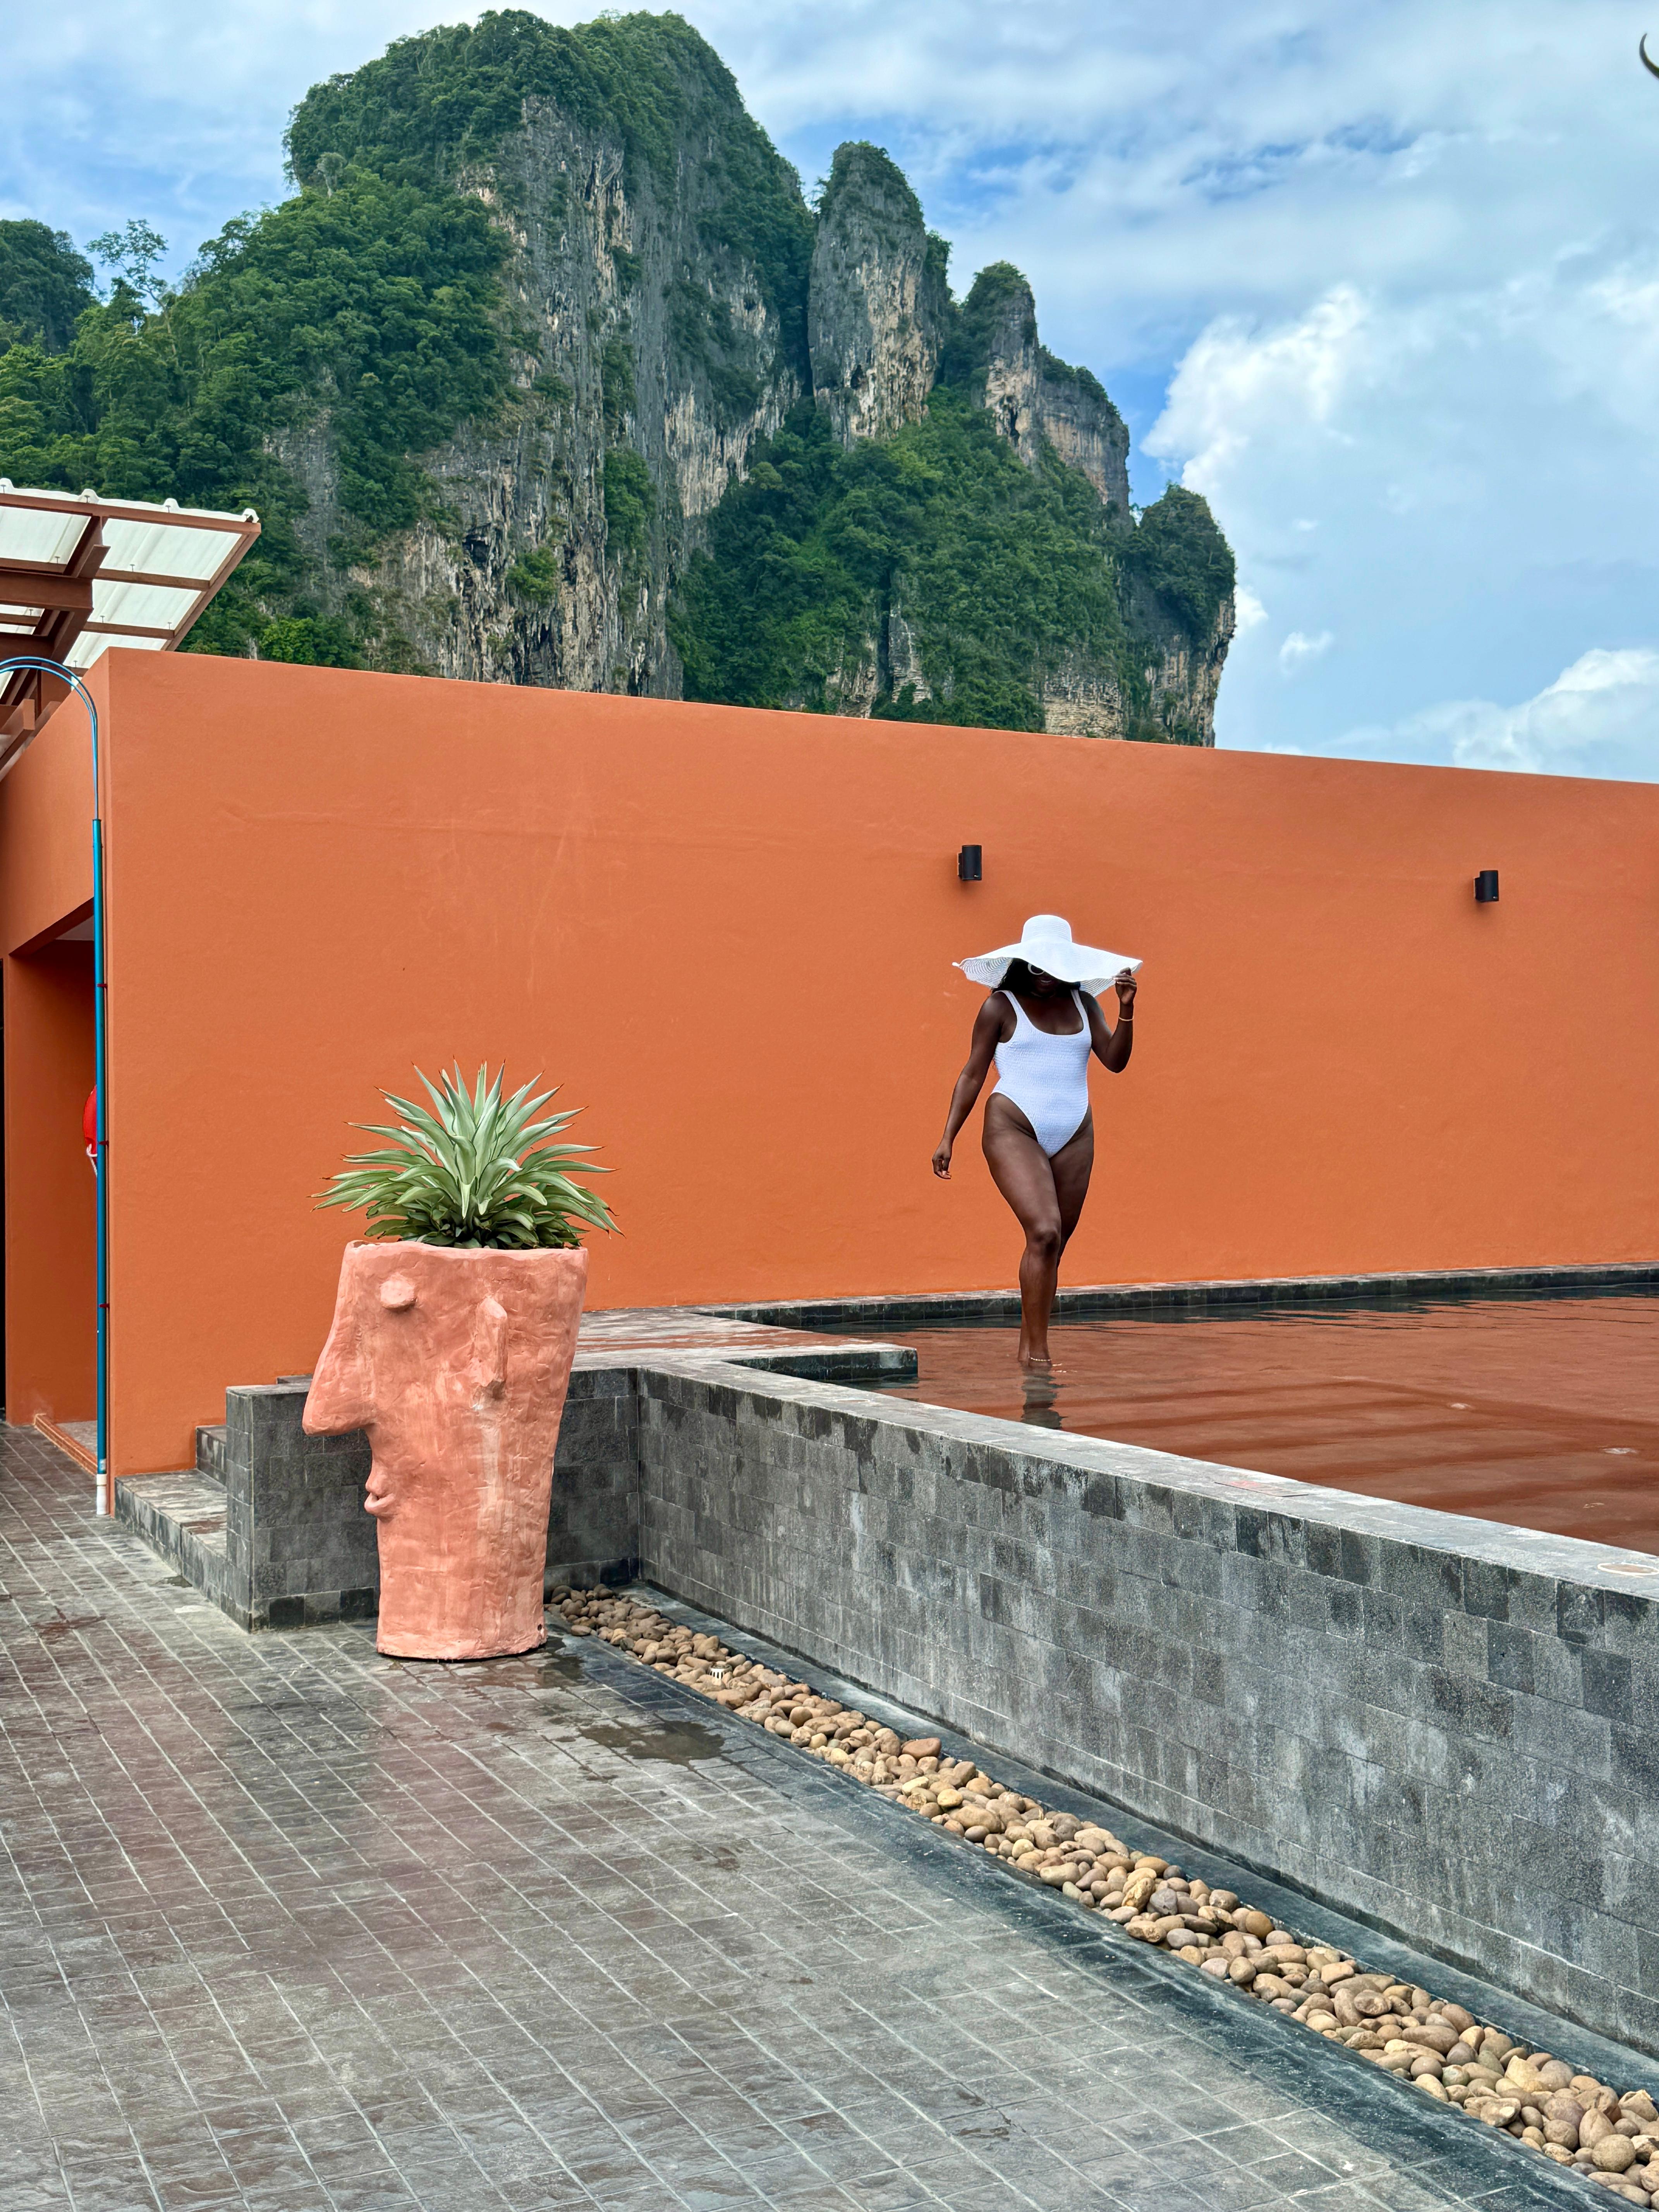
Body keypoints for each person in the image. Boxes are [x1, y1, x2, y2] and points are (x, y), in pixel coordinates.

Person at [933, 914, 1139, 1367]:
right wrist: (949, 1135)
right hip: (1013, 1124)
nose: (1045, 975)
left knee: (1053, 1245)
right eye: (1037, 965)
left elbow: (1116, 1062)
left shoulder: (1086, 1004)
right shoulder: (1000, 1006)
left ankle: (1028, 1352)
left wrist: (1125, 1008)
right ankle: (1040, 1359)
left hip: (1075, 1130)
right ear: (1023, 962)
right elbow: (973, 1073)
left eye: (1054, 965)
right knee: (1044, 1232)